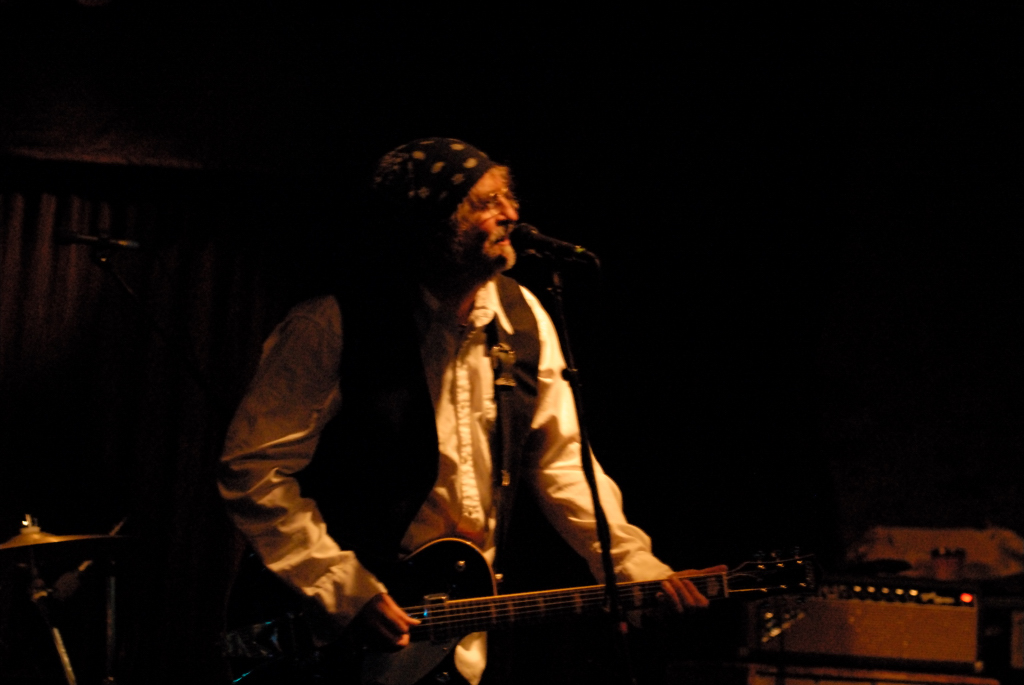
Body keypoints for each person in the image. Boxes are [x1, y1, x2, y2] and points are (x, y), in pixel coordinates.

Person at [219, 137, 725, 684]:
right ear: (430, 225)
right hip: (326, 640)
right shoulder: (333, 323)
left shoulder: (524, 318)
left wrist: (630, 566)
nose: (510, 215)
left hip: (451, 640)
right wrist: (342, 589)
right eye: (484, 203)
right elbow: (254, 471)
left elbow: (561, 463)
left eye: (508, 196)